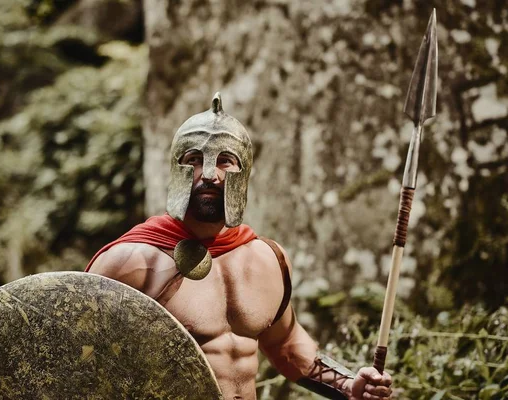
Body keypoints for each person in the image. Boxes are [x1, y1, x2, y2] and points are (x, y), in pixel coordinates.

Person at [86, 93, 393, 400]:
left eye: (225, 160)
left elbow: (286, 346)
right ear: (175, 169)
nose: (209, 174)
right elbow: (78, 365)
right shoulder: (129, 264)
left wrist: (348, 384)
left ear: (243, 173)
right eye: (194, 159)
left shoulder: (266, 259)